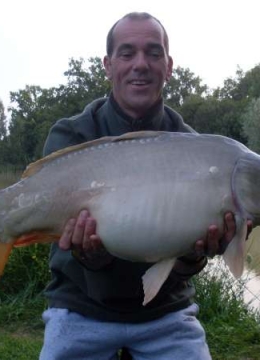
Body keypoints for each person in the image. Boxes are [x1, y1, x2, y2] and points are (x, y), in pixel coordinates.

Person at [39, 12, 243, 360]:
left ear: (169, 66)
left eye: (153, 53)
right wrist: (90, 257)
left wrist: (193, 257)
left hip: (164, 313)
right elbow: (60, 250)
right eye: (127, 53)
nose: (141, 64)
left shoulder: (196, 148)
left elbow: (181, 266)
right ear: (107, 65)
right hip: (80, 307)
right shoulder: (71, 135)